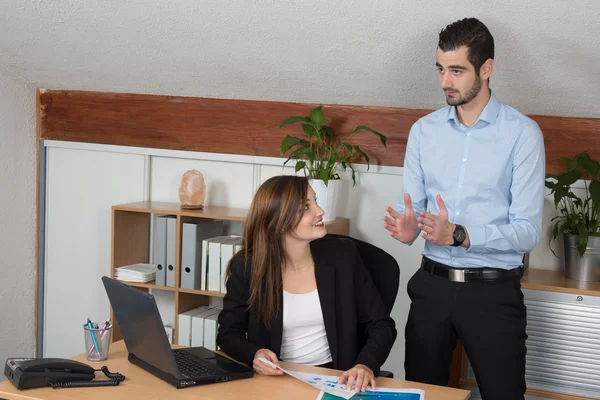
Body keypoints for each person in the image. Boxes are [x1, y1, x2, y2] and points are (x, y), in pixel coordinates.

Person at [383, 18, 545, 400]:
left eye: (457, 70)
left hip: (493, 293)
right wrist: (409, 231)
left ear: (486, 69)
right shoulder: (424, 131)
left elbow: (528, 231)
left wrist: (461, 234)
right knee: (423, 395)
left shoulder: (522, 134)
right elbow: (415, 209)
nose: (445, 82)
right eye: (441, 69)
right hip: (432, 287)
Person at [218, 175, 397, 392]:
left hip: (337, 379)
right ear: (278, 220)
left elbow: (381, 324)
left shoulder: (343, 257)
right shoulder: (247, 267)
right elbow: (228, 333)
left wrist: (365, 365)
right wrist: (254, 354)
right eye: (305, 206)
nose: (320, 211)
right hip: (275, 379)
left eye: (316, 201)